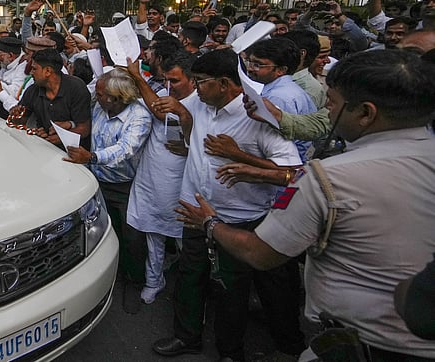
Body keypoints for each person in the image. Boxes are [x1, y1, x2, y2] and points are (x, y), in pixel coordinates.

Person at [177, 49, 435, 361]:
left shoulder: (328, 179)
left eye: (332, 102)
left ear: (366, 113)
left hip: (364, 343)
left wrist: (210, 222)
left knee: (237, 291)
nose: (325, 109)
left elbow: (259, 251)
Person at [152, 49, 302, 361]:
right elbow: (194, 141)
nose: (195, 88)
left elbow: (294, 175)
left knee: (230, 289)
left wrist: (241, 156)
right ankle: (187, 337)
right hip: (195, 211)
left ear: (224, 83)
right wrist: (184, 117)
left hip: (238, 220)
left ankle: (230, 351)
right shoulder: (201, 103)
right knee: (190, 276)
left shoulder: (257, 116)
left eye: (201, 82)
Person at [64, 69, 152, 287]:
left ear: (117, 98)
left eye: (101, 94)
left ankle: (134, 281)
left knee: (132, 237)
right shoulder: (101, 107)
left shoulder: (139, 116)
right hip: (98, 181)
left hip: (126, 187)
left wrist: (91, 157)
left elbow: (125, 150)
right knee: (102, 232)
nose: (96, 96)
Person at [126, 52, 201, 305]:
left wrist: (137, 76)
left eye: (176, 81)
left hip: (181, 185)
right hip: (150, 178)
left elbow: (159, 111)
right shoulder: (167, 95)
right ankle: (153, 280)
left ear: (193, 80)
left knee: (185, 241)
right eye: (167, 80)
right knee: (152, 233)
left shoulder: (200, 103)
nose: (170, 86)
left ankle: (194, 292)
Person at [9, 49, 91, 149]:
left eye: (34, 69)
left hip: (74, 152)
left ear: (48, 71)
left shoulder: (76, 88)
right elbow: (21, 120)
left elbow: (84, 129)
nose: (31, 72)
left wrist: (62, 137)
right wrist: (16, 115)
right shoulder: (33, 90)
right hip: (44, 148)